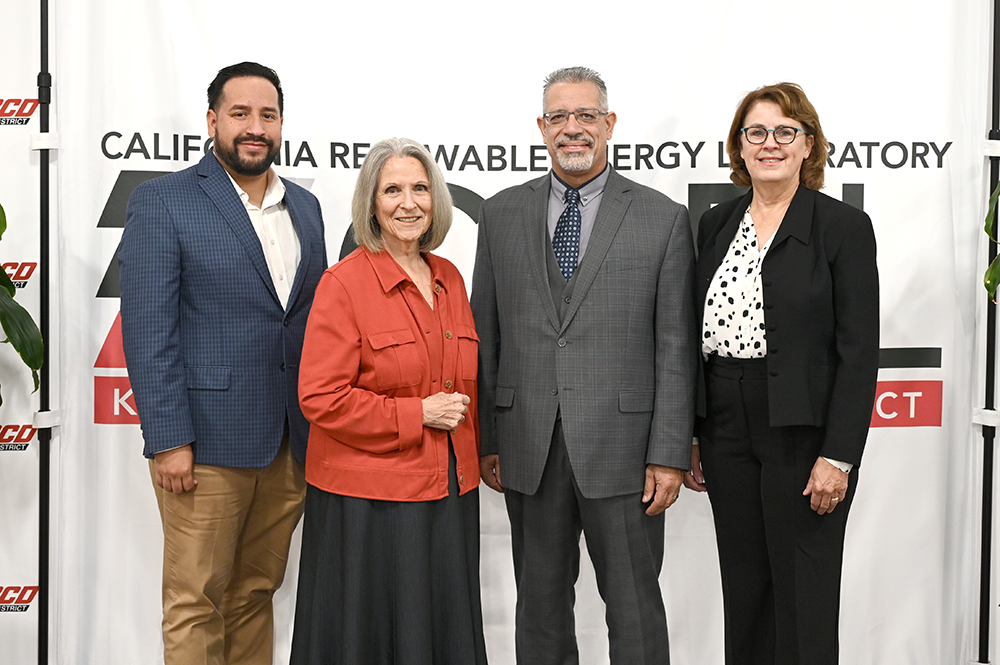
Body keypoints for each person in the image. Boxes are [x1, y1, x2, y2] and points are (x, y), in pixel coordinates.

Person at [471, 66, 697, 664]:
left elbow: (676, 344)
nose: (573, 129)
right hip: (528, 447)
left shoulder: (662, 217)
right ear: (541, 128)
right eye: (559, 117)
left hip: (627, 455)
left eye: (586, 116)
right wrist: (488, 437)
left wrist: (669, 452)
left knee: (634, 610)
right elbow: (485, 337)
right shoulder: (499, 216)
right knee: (539, 610)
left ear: (610, 124)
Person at [119, 62, 327, 665]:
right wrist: (167, 439)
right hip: (203, 446)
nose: (255, 127)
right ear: (212, 122)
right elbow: (149, 329)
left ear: (282, 124)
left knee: (254, 594)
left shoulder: (307, 208)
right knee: (195, 602)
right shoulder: (164, 201)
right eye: (240, 114)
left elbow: (305, 323)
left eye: (268, 115)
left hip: (289, 445)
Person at [686, 82, 879, 665]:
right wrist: (694, 431)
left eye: (784, 132)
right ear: (739, 148)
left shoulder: (842, 227)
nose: (769, 144)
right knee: (745, 588)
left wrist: (839, 456)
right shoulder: (715, 224)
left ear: (807, 146)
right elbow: (697, 336)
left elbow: (858, 350)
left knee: (805, 591)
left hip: (804, 430)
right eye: (756, 133)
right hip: (725, 423)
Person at [290, 138, 488, 665]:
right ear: (371, 203)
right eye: (392, 190)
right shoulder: (344, 283)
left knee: (440, 631)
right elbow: (322, 398)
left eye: (420, 189)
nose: (409, 203)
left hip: (449, 491)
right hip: (370, 504)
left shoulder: (449, 277)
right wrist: (416, 413)